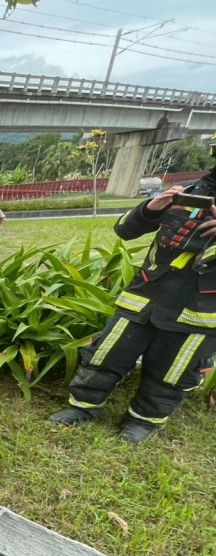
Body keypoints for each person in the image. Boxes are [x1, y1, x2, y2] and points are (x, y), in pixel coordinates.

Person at [48, 147, 216, 444]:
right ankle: (83, 406)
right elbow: (125, 229)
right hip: (144, 298)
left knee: (171, 371)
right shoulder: (188, 193)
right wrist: (152, 207)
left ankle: (143, 420)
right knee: (106, 353)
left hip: (198, 313)